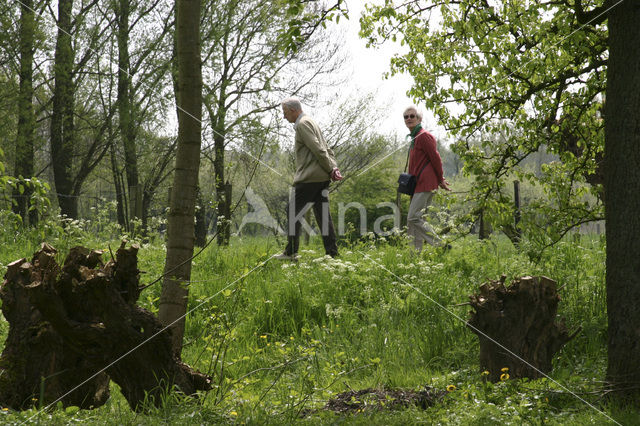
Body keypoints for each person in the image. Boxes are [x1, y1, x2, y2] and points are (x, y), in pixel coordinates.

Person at [276, 97, 343, 260]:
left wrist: (331, 168)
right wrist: (333, 167)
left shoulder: (302, 124)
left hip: (309, 178)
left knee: (292, 212)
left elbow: (319, 149)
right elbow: (327, 148)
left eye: (285, 113)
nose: (284, 117)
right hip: (321, 177)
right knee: (323, 215)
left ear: (293, 110)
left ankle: (291, 252)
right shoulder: (311, 121)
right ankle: (332, 254)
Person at [403, 105, 451, 251]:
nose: (409, 119)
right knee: (417, 220)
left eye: (412, 116)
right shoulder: (414, 138)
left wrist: (440, 179)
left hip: (425, 183)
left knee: (413, 217)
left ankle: (440, 244)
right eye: (406, 117)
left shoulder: (424, 136)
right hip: (417, 184)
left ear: (419, 119)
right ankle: (414, 255)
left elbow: (435, 158)